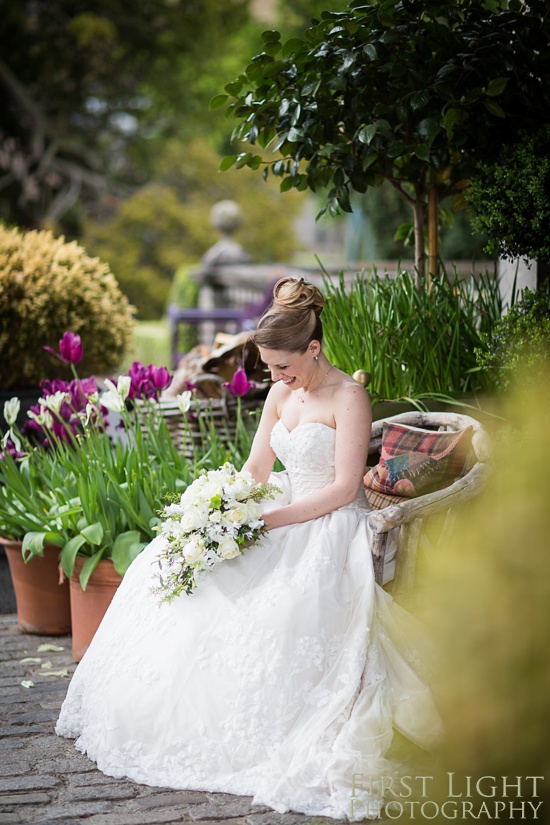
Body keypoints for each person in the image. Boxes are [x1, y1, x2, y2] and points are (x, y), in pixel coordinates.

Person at [56, 277, 442, 820]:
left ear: (314, 348)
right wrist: (222, 511)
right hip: (274, 508)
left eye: (283, 366)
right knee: (189, 575)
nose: (275, 378)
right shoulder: (282, 393)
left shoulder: (349, 397)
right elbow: (257, 469)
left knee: (277, 610)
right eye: (268, 368)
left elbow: (343, 488)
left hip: (326, 522)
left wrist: (268, 523)